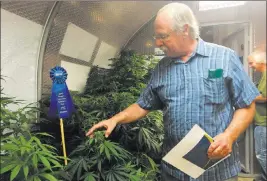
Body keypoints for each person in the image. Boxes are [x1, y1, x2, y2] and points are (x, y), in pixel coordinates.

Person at [86, 2, 260, 181]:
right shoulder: (162, 67)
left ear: (185, 30)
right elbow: (143, 104)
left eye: (163, 36)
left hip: (217, 172)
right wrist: (115, 119)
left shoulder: (224, 58)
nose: (157, 42)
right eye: (156, 36)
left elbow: (246, 105)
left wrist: (229, 136)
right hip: (174, 172)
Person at [248, 47, 267, 181]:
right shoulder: (262, 76)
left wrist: (248, 96)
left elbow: (265, 96)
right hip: (261, 121)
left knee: (262, 154)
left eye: (252, 63)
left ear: (261, 62)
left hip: (263, 122)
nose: (250, 66)